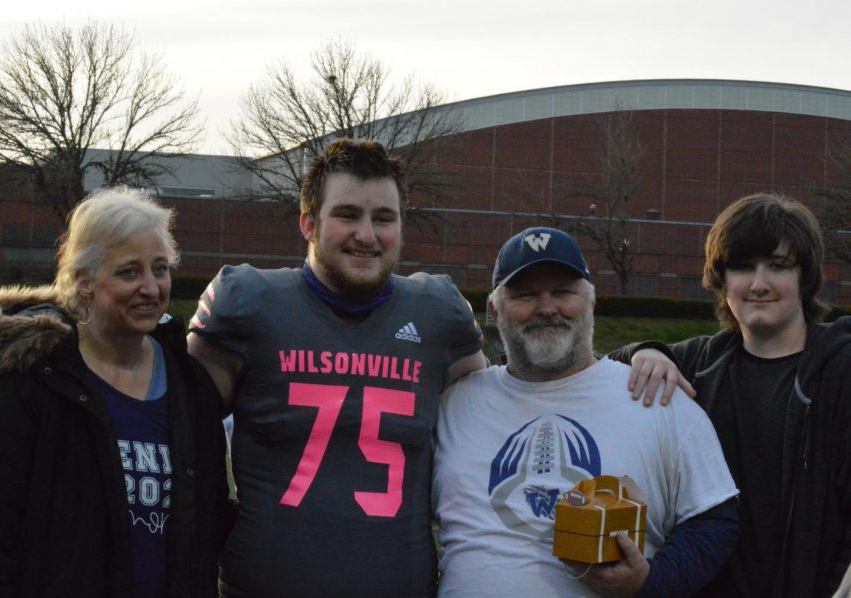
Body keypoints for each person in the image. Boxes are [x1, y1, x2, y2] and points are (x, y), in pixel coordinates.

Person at [187, 138, 486, 597]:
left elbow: (509, 408)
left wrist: (634, 354)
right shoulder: (249, 301)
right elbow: (164, 417)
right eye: (347, 214)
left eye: (383, 218)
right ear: (308, 223)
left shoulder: (438, 313)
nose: (366, 235)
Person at [432, 226, 739, 597]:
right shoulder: (455, 404)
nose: (546, 308)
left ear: (591, 302)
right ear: (494, 310)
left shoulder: (657, 398)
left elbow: (715, 521)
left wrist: (650, 582)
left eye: (563, 291)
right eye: (525, 294)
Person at [0, 188, 230, 597]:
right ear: (84, 282)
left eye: (160, 268)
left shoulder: (189, 384)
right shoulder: (27, 382)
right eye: (129, 272)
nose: (152, 288)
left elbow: (207, 526)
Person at [612, 193, 851, 597]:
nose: (759, 284)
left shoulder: (841, 369)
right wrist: (645, 352)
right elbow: (599, 373)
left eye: (778, 266)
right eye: (742, 267)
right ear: (722, 281)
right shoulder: (697, 366)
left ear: (805, 277)